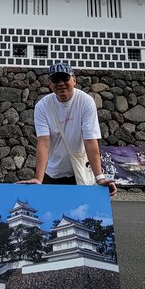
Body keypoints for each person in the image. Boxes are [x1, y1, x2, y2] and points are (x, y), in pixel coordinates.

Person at [21, 62, 116, 194]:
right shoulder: (42, 106)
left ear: (74, 80)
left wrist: (100, 178)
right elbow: (43, 142)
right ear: (49, 84)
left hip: (79, 172)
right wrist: (38, 179)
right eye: (56, 79)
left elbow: (90, 141)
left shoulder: (86, 102)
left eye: (65, 78)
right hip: (52, 172)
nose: (61, 83)